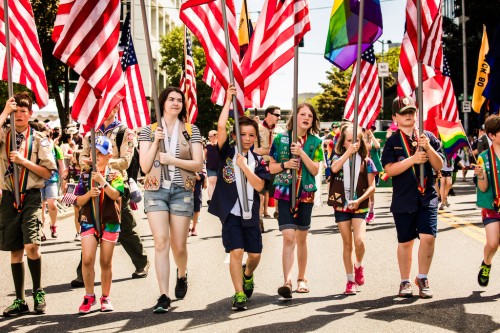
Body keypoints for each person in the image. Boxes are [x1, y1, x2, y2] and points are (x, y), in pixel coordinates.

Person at [139, 86, 203, 312]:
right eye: (171, 99)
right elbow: (144, 167)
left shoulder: (190, 130)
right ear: (162, 103)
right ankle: (163, 295)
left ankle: (182, 274)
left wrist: (173, 160)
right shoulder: (148, 131)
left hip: (182, 190)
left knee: (179, 245)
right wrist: (156, 142)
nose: (176, 103)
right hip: (155, 190)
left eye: (179, 100)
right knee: (160, 242)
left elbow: (198, 164)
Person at [71, 105, 150, 288]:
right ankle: (83, 273)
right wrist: (88, 163)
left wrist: (104, 161)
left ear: (117, 107)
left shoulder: (125, 132)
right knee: (90, 226)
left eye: (111, 105)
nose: (107, 109)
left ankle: (141, 262)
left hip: (115, 183)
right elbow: (82, 157)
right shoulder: (91, 132)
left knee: (125, 228)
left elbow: (125, 161)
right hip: (92, 183)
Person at [208, 85, 270, 310]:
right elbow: (220, 126)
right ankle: (239, 294)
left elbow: (261, 185)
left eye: (251, 135)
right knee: (236, 251)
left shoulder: (257, 161)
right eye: (242, 134)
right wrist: (227, 101)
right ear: (235, 136)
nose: (247, 138)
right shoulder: (227, 152)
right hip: (230, 213)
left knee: (254, 255)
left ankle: (248, 274)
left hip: (250, 213)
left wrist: (245, 168)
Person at [0, 93, 57, 316]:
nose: (19, 115)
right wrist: (4, 112)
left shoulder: (39, 139)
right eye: (15, 112)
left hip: (31, 196)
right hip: (8, 197)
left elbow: (47, 171)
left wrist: (23, 161)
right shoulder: (4, 135)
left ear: (30, 114)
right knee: (15, 250)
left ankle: (38, 291)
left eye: (23, 111)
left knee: (31, 245)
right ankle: (19, 299)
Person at [381, 96, 443, 299]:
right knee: (406, 242)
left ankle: (423, 277)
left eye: (411, 111)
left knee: (429, 237)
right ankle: (405, 281)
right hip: (404, 198)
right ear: (395, 117)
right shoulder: (392, 142)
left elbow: (439, 165)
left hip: (427, 196)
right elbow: (389, 169)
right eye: (403, 112)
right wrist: (413, 159)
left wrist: (429, 148)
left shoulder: (428, 136)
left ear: (417, 114)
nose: (408, 115)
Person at [269, 103, 323, 298]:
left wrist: (301, 154)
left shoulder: (316, 142)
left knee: (301, 237)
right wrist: (285, 164)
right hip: (284, 192)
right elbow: (271, 167)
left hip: (306, 193)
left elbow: (316, 170)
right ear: (295, 116)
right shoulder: (281, 139)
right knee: (288, 236)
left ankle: (302, 278)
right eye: (302, 114)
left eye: (310, 115)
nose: (306, 117)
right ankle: (287, 281)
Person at [75, 136, 124, 313]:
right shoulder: (85, 175)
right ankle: (89, 296)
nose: (96, 157)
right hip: (89, 220)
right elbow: (78, 201)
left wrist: (103, 183)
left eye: (100, 154)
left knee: (105, 261)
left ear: (109, 155)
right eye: (93, 153)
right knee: (87, 259)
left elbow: (116, 195)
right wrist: (89, 194)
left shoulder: (114, 174)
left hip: (109, 222)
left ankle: (105, 296)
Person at [330, 125, 376, 295]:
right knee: (347, 243)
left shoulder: (367, 161)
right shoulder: (337, 157)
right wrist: (347, 153)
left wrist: (360, 200)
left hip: (359, 205)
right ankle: (350, 280)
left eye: (356, 140)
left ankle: (358, 265)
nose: (353, 144)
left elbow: (372, 187)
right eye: (349, 141)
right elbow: (334, 169)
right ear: (343, 143)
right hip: (341, 205)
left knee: (360, 241)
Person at [474, 115, 500, 287]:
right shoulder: (484, 157)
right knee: (492, 243)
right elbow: (483, 188)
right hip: (492, 206)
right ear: (492, 136)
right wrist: (481, 174)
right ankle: (486, 263)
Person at [254, 105, 281, 229]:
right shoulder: (257, 128)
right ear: (269, 115)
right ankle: (259, 219)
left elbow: (279, 150)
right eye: (277, 115)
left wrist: (265, 150)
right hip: (261, 165)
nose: (279, 117)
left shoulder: (280, 131)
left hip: (275, 165)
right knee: (260, 192)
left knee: (278, 191)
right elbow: (255, 150)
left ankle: (278, 213)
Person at [40, 127, 67, 239]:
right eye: (42, 136)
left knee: (53, 204)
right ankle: (41, 230)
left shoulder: (56, 148)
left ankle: (53, 225)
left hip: (52, 179)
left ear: (51, 136)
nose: (45, 139)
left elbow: (62, 165)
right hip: (38, 180)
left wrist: (64, 180)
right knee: (40, 206)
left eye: (47, 136)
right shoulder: (36, 147)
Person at [364, 126, 382, 224]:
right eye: (368, 129)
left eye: (372, 129)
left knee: (370, 191)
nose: (370, 131)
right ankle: (364, 211)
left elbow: (377, 146)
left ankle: (371, 211)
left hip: (372, 169)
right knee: (363, 190)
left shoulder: (374, 140)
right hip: (362, 168)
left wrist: (371, 136)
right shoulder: (361, 138)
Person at [205, 130, 219, 205]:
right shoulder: (207, 146)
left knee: (219, 184)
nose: (210, 137)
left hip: (220, 167)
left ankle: (219, 200)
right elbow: (204, 157)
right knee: (211, 183)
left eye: (212, 136)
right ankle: (211, 201)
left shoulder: (220, 144)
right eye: (209, 136)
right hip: (211, 166)